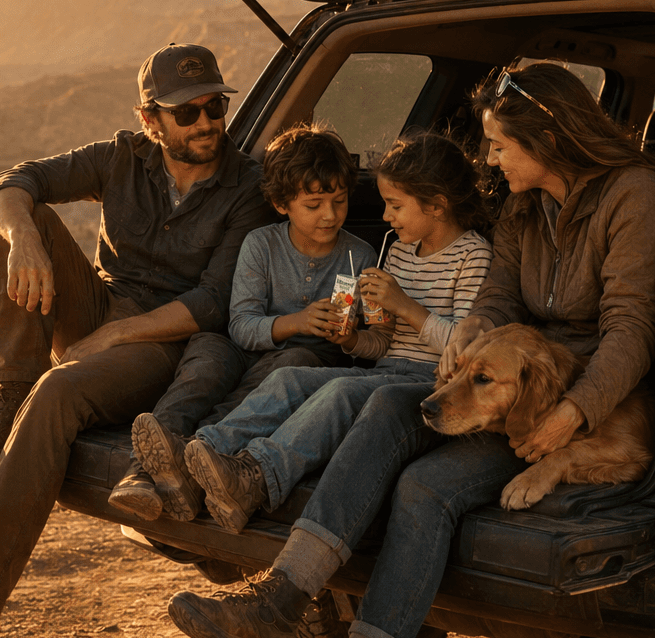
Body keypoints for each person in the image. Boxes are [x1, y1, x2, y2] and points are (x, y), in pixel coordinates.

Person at [165, 62, 655, 638]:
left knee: (423, 487)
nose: (491, 159)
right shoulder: (521, 204)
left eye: (500, 144)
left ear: (545, 138)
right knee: (388, 408)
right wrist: (470, 330)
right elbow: (499, 296)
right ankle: (277, 605)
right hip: (506, 376)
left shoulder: (636, 193)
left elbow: (632, 326)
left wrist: (574, 412)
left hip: (578, 398)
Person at [0, 42, 276, 638]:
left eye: (214, 108)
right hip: (100, 306)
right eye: (187, 113)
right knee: (23, 218)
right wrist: (23, 240)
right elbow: (9, 183)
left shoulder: (245, 184)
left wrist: (116, 335)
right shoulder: (122, 157)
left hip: (165, 337)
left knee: (58, 390)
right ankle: (8, 393)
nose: (206, 124)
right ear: (151, 120)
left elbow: (215, 303)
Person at [140, 131, 494, 535]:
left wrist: (406, 307)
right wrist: (349, 340)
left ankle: (255, 477)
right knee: (290, 378)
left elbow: (467, 356)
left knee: (339, 391)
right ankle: (198, 454)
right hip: (386, 370)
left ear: (436, 204)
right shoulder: (395, 251)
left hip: (432, 382)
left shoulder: (473, 255)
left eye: (395, 206)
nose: (385, 217)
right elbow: (380, 342)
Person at [109, 124, 378, 522]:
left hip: (296, 361)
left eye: (339, 202)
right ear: (283, 204)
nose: (330, 215)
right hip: (245, 344)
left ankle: (195, 463)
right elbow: (241, 325)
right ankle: (143, 471)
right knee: (206, 355)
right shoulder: (262, 244)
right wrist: (298, 320)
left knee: (292, 365)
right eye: (314, 204)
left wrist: (351, 336)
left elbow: (373, 339)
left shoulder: (361, 256)